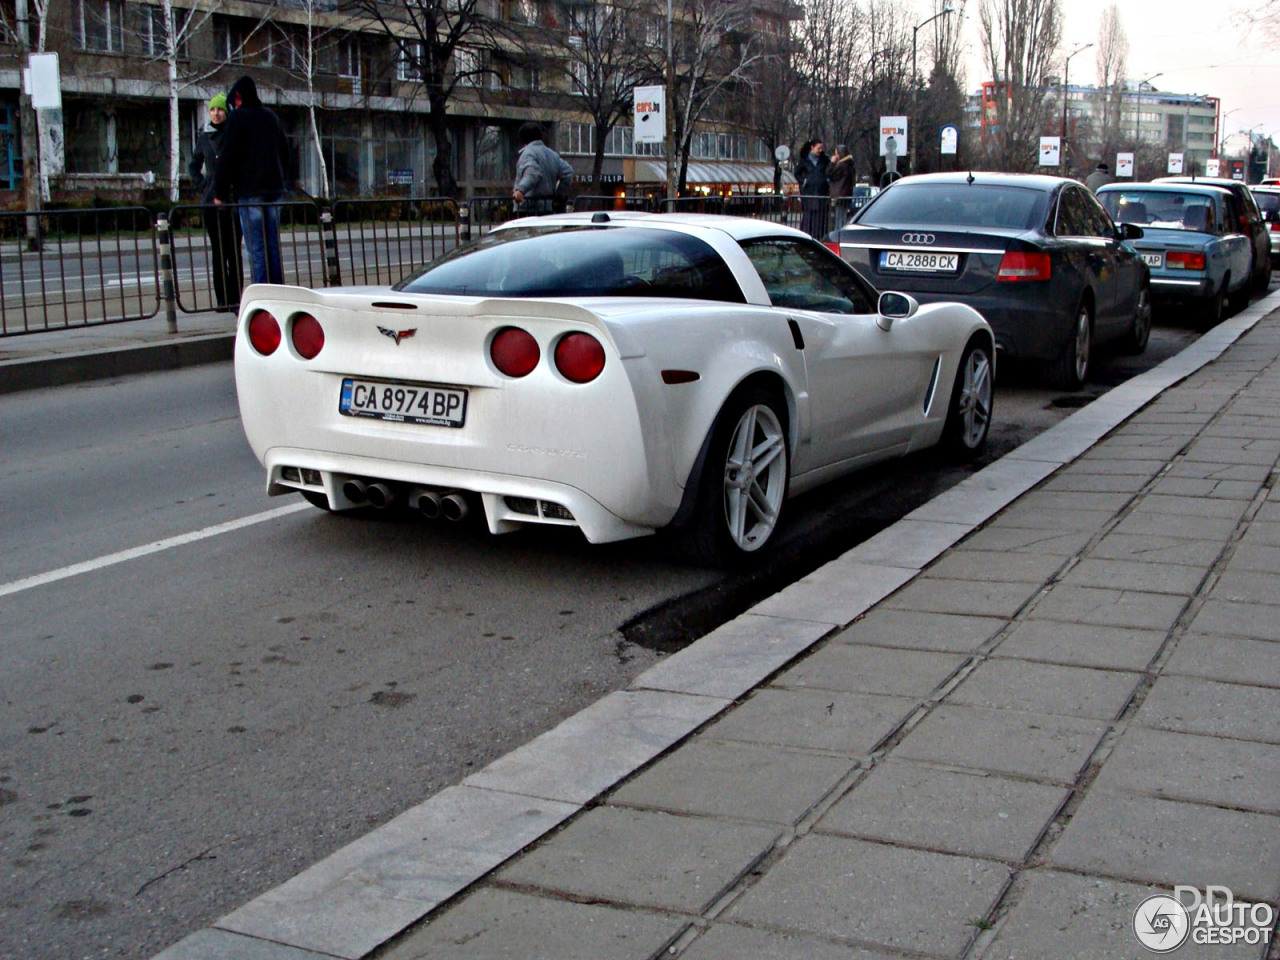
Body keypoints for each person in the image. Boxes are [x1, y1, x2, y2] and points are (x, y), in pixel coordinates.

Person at [213, 75, 292, 285]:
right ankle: (277, 293)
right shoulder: (271, 117)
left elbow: (227, 157)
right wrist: (287, 184)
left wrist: (219, 193)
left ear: (238, 97)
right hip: (274, 191)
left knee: (256, 249)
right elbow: (286, 152)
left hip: (250, 192)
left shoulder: (238, 119)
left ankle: (262, 297)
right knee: (272, 246)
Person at [188, 93, 243, 312]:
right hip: (211, 203)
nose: (216, 113)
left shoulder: (234, 136)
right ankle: (222, 300)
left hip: (233, 202)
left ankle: (236, 299)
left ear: (226, 112)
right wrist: (203, 186)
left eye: (220, 109)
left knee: (233, 252)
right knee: (219, 252)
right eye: (213, 110)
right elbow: (193, 165)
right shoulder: (204, 137)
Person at [511, 122, 574, 215]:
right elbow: (568, 172)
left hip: (529, 209)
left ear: (523, 139)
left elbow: (532, 172)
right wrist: (559, 195)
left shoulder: (528, 153)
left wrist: (520, 190)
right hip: (548, 208)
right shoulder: (552, 154)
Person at [794, 139, 831, 238]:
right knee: (809, 214)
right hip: (809, 192)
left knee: (820, 215)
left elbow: (830, 171)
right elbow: (797, 173)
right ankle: (807, 235)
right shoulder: (804, 160)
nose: (820, 150)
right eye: (818, 148)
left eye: (821, 148)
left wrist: (826, 181)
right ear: (812, 147)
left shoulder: (824, 160)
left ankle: (819, 235)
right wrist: (804, 181)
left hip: (821, 192)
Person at [827, 143, 855, 231]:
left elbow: (829, 173)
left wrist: (832, 163)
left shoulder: (842, 166)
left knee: (838, 219)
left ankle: (838, 236)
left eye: (836, 154)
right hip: (846, 195)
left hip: (839, 195)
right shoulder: (849, 165)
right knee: (842, 217)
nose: (835, 156)